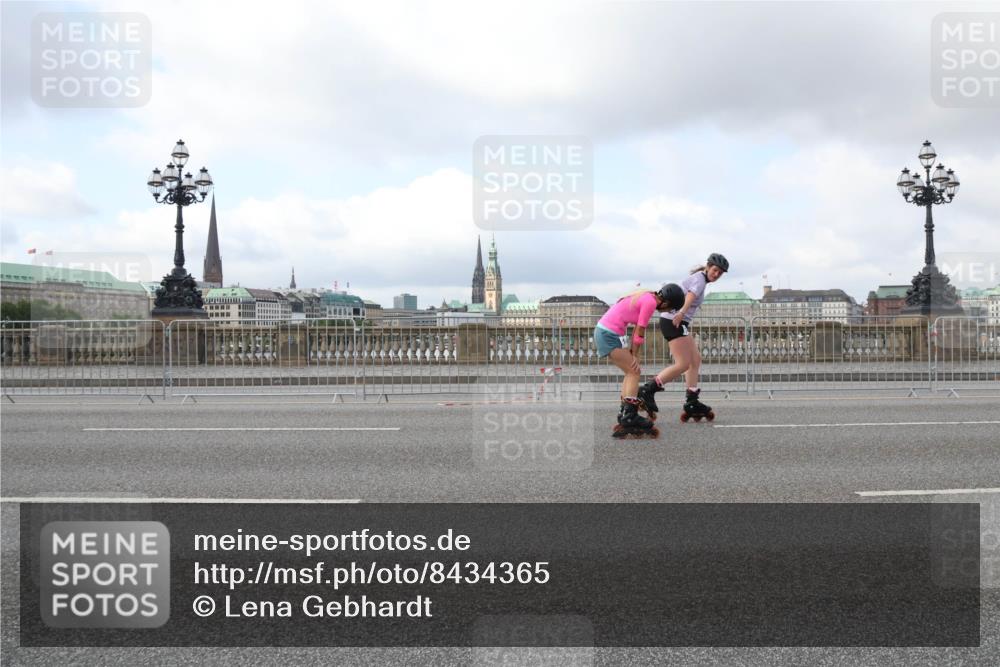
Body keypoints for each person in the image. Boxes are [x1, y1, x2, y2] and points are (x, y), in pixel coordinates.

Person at [637, 253, 729, 421]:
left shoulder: (700, 278)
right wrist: (681, 313)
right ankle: (647, 389)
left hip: (680, 322)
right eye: (715, 270)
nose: (716, 274)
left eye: (720, 273)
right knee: (683, 364)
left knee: (695, 360)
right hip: (674, 321)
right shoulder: (700, 280)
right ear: (708, 266)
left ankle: (692, 400)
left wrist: (682, 315)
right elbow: (690, 296)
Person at [594, 283, 685, 437]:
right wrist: (635, 355)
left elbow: (636, 327)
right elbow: (640, 331)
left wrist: (633, 352)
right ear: (667, 303)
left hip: (606, 332)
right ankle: (629, 416)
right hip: (608, 334)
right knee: (634, 371)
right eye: (671, 309)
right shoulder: (650, 303)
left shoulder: (646, 295)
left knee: (630, 372)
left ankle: (625, 413)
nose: (668, 312)